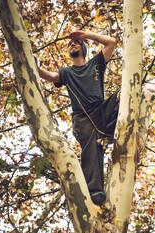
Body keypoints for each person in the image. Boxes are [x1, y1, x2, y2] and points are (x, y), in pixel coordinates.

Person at [36, 30, 118, 205]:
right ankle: (94, 191)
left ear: (83, 47)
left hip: (101, 110)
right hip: (83, 118)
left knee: (123, 96)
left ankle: (108, 135)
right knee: (91, 152)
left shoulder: (95, 64)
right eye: (69, 44)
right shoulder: (66, 72)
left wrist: (84, 34)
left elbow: (111, 42)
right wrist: (35, 67)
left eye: (76, 43)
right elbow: (51, 76)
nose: (71, 45)